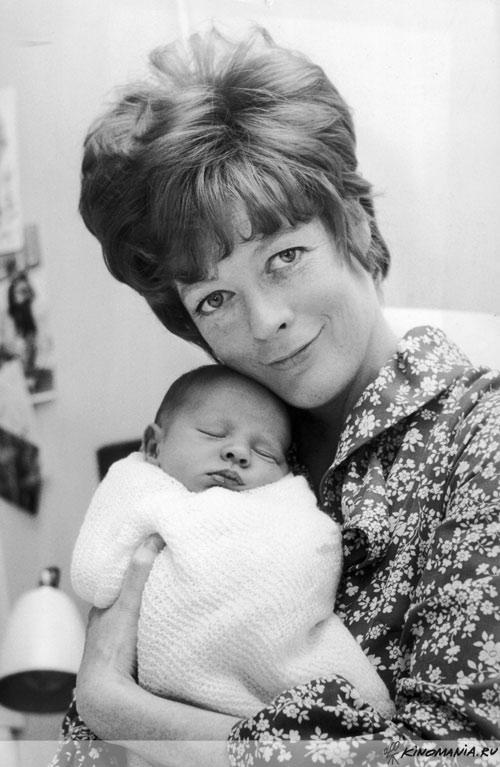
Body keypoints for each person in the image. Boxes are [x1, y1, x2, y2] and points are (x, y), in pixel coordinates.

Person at [52, 25, 500, 767]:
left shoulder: (480, 439)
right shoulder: (199, 460)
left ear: (353, 222)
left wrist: (119, 708)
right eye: (214, 299)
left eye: (285, 256)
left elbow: (463, 757)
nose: (265, 322)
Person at [71, 364, 393, 729]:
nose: (239, 452)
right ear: (154, 446)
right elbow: (93, 574)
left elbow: (310, 556)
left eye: (266, 453)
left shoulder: (283, 508)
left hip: (288, 706)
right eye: (213, 433)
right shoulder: (136, 487)